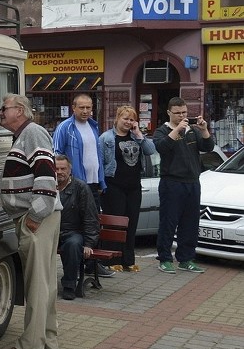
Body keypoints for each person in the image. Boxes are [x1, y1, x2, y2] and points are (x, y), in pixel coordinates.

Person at [0, 94, 62, 349]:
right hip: (40, 217)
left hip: (36, 218)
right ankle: (48, 340)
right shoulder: (25, 135)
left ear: (20, 111)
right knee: (45, 282)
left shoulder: (32, 134)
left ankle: (31, 345)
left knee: (36, 283)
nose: (0, 112)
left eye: (4, 108)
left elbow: (47, 175)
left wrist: (35, 216)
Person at [52, 92, 113, 278]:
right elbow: (56, 155)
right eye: (82, 107)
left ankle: (92, 263)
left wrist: (101, 180)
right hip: (75, 186)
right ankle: (80, 264)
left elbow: (97, 158)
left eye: (89, 107)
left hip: (93, 184)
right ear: (73, 108)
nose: (86, 111)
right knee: (76, 225)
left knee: (93, 221)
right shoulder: (65, 127)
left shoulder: (93, 126)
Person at [152, 97, 215, 274]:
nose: (181, 116)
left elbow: (208, 147)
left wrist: (204, 130)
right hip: (171, 183)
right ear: (169, 113)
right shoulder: (161, 131)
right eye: (178, 113)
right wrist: (177, 130)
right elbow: (162, 148)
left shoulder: (192, 131)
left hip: (193, 182)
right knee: (168, 222)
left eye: (184, 113)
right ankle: (164, 259)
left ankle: (186, 259)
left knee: (190, 223)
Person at [100, 106, 156, 272]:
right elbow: (100, 163)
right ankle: (112, 260)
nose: (128, 122)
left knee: (131, 223)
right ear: (117, 119)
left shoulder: (136, 137)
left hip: (133, 187)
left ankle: (128, 260)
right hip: (113, 186)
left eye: (131, 119)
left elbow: (151, 151)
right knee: (116, 223)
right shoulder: (106, 138)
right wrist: (101, 185)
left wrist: (139, 135)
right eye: (125, 118)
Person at [55, 155, 99, 300]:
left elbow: (90, 217)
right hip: (52, 231)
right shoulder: (48, 186)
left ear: (70, 170)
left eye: (63, 168)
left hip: (73, 232)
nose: (59, 172)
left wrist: (89, 243)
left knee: (73, 245)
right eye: (56, 168)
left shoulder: (81, 187)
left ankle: (69, 286)